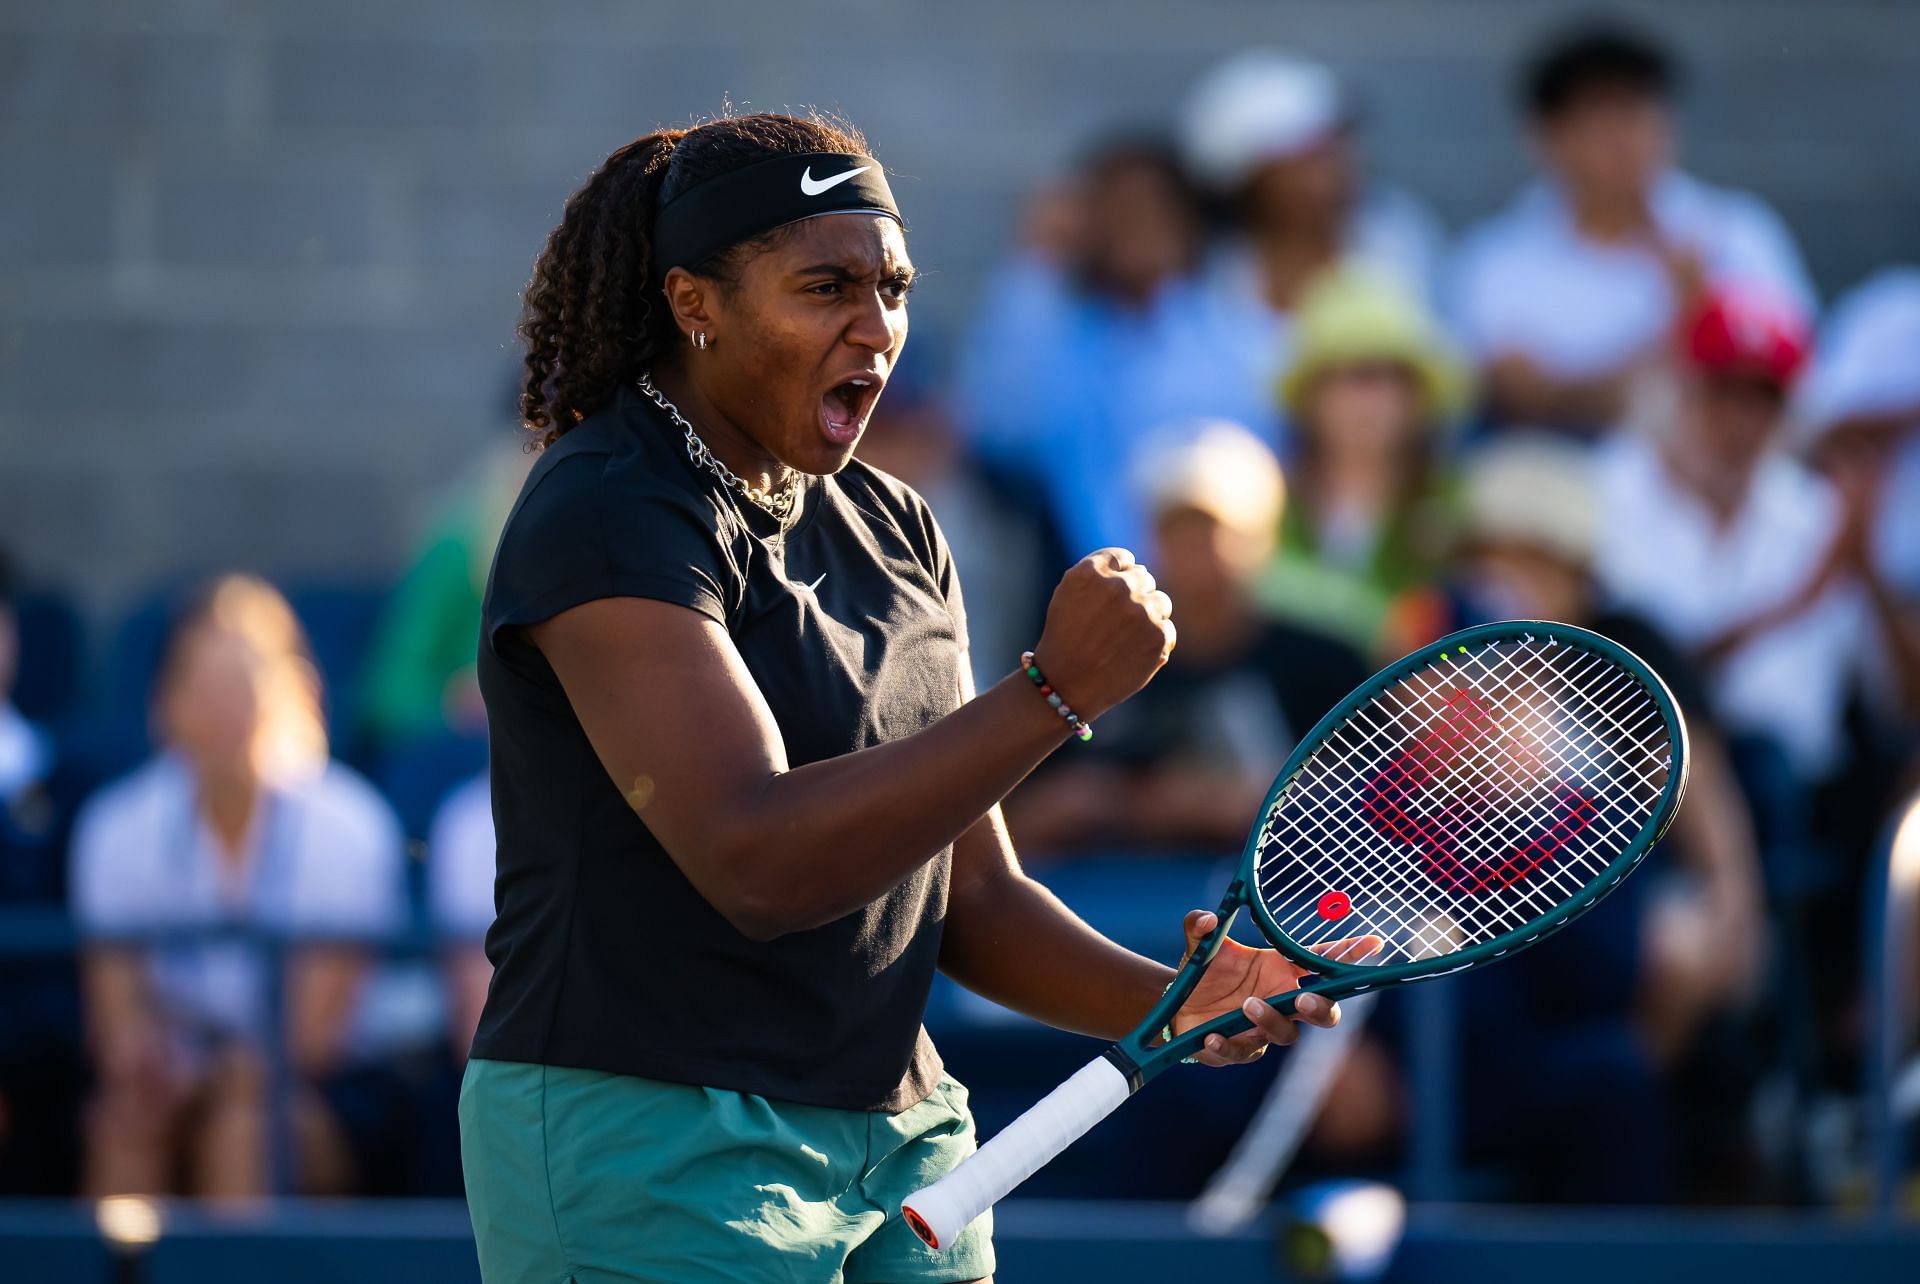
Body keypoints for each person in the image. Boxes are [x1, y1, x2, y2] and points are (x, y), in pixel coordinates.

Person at [459, 111, 1363, 1284]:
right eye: (824, 287)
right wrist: (1051, 696)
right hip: (652, 1138)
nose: (874, 329)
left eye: (891, 288)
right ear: (695, 304)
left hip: (907, 1145)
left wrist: (1179, 1002)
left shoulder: (898, 526)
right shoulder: (605, 504)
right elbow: (756, 860)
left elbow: (971, 898)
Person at [1379, 437, 1770, 1199]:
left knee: (1617, 1070)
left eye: (1531, 556)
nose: (1505, 578)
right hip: (1445, 977)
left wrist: (1729, 915)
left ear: (1575, 570)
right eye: (1488, 554)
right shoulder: (1431, 645)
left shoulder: (1632, 664)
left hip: (1587, 967)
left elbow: (1711, 837)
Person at [70, 575, 410, 1197]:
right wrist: (148, 1072)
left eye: (243, 686)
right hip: (180, 1086)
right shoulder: (114, 828)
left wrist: (205, 1082)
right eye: (203, 687)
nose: (224, 709)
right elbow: (118, 1023)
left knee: (244, 1127)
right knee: (123, 1124)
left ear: (294, 695)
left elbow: (308, 1043)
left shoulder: (351, 827)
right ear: (164, 703)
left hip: (325, 1094)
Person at [1004, 421, 1367, 856]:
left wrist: (1240, 802)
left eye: (1211, 527)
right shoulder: (1093, 661)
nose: (1194, 547)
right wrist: (1120, 803)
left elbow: (1372, 810)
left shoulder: (1328, 664)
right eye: (1175, 527)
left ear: (1263, 538)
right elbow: (1012, 825)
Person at [1450, 22, 1815, 434]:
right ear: (1546, 136)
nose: (1626, 138)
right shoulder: (1497, 259)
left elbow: (1786, 385)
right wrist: (1691, 327)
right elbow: (1519, 397)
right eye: (1601, 117)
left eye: (1639, 112)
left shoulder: (1736, 232)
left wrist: (1571, 388)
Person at [957, 135, 1266, 558]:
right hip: (1093, 586)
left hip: (1220, 594)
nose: (1135, 224)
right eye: (1115, 209)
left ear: (1186, 221)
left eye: (1153, 207)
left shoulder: (1236, 336)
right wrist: (1039, 261)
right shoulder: (1064, 342)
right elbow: (1003, 430)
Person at [1179, 48, 1446, 427]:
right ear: (1248, 179)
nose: (1335, 165)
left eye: (1336, 143)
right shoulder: (1203, 276)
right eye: (1306, 154)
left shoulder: (1403, 242)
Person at [1253, 265, 1470, 655]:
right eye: (1354, 376)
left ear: (1418, 397)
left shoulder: (1459, 505)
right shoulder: (1260, 499)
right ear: (1310, 394)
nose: (1372, 399)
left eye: (1394, 377)